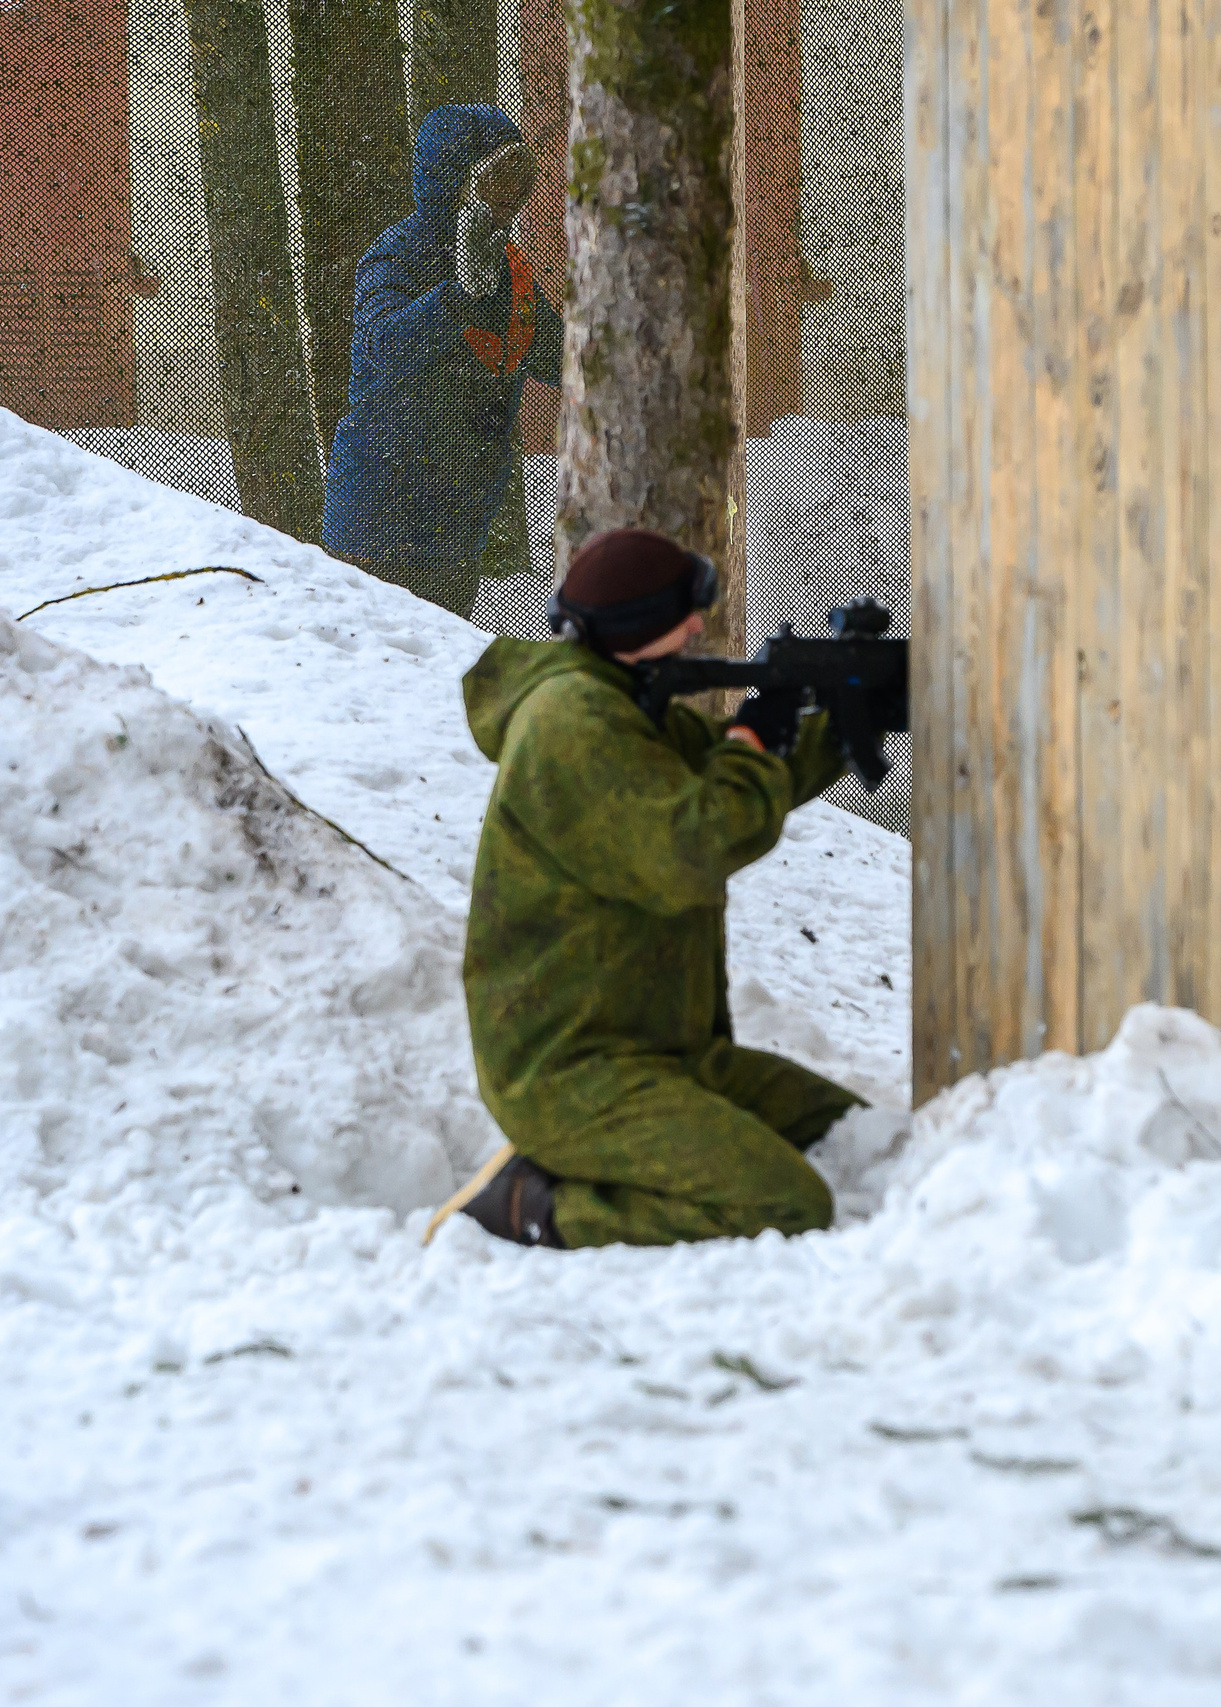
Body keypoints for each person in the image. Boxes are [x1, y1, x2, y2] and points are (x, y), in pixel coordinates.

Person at [424, 528, 865, 1250]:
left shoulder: (623, 703)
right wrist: (755, 740)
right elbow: (695, 845)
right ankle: (536, 1206)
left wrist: (842, 727)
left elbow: (734, 783)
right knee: (789, 1201)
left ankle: (615, 1166)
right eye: (683, 614)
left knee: (849, 1133)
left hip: (664, 1051)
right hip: (571, 1072)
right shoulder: (572, 722)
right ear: (640, 628)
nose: (698, 627)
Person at [322, 104, 560, 618]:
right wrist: (457, 298)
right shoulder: (399, 254)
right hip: (380, 515)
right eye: (494, 181)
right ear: (455, 181)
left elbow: (557, 355)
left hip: (454, 519)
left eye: (517, 186)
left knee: (437, 665)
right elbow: (380, 349)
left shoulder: (507, 270)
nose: (505, 204)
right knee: (378, 661)